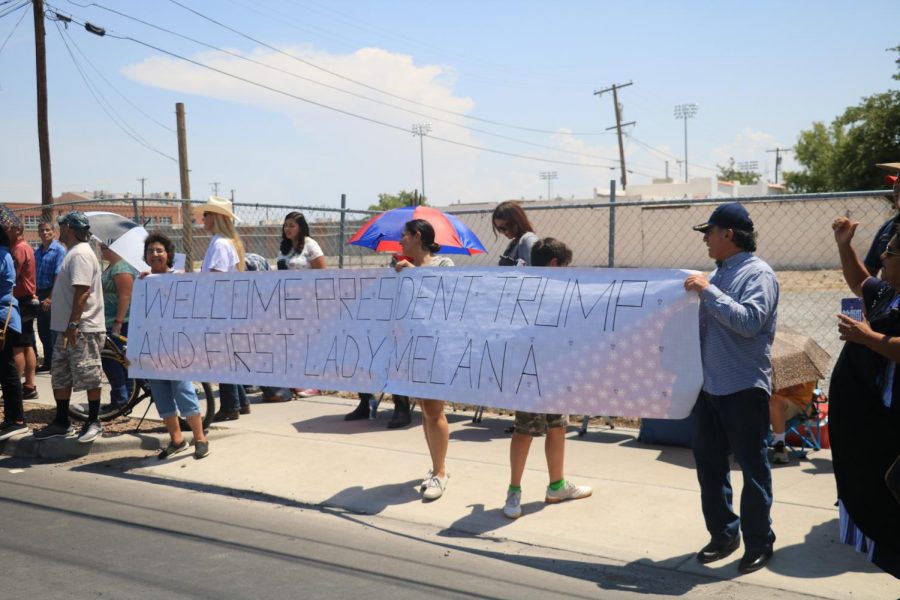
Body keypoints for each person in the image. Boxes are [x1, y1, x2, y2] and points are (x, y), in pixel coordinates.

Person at [683, 202, 779, 574]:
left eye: (710, 232)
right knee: (709, 465)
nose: (705, 238)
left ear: (729, 235)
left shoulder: (759, 275)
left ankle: (759, 542)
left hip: (743, 387)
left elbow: (750, 322)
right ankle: (724, 534)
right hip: (710, 387)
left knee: (753, 469)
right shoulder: (717, 273)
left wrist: (708, 292)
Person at [829, 215, 900, 579]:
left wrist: (866, 337)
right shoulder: (889, 292)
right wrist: (845, 245)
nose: (882, 258)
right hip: (880, 419)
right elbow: (861, 282)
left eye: (888, 252)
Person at [503, 238, 592, 519]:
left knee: (557, 425)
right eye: (566, 266)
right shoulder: (531, 288)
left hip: (556, 368)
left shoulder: (550, 287)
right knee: (525, 430)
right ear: (554, 264)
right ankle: (514, 491)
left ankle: (557, 485)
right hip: (533, 372)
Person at [394, 219, 454, 500]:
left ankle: (440, 472)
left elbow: (444, 299)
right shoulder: (402, 269)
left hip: (435, 346)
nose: (401, 241)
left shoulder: (444, 265)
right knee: (425, 410)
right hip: (413, 346)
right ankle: (436, 467)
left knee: (434, 409)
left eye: (404, 236)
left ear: (418, 236)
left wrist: (414, 274)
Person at [32, 212, 106, 443]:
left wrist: (74, 323)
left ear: (71, 229)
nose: (59, 229)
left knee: (89, 375)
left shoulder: (82, 254)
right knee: (61, 377)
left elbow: (82, 291)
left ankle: (93, 421)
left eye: (62, 226)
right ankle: (62, 422)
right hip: (66, 330)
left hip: (82, 328)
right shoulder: (72, 253)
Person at [142, 232, 210, 460]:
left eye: (159, 250)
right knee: (161, 395)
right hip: (153, 347)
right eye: (150, 251)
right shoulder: (143, 281)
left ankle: (200, 438)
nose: (154, 255)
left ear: (168, 254)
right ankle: (177, 440)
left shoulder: (179, 277)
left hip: (177, 346)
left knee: (183, 390)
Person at [197, 196, 250, 422]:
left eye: (207, 214)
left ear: (216, 218)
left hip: (219, 308)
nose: (203, 218)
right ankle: (240, 401)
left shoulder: (219, 244)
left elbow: (216, 279)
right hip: (229, 307)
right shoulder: (228, 242)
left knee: (222, 357)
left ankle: (231, 406)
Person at [276, 211, 326, 399]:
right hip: (288, 302)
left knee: (309, 342)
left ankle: (315, 383)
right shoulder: (284, 247)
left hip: (308, 301)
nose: (287, 229)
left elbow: (323, 273)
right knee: (293, 342)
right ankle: (297, 381)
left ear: (301, 227)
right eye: (285, 225)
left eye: (292, 225)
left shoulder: (310, 245)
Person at [0, 208, 27, 441]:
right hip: (7, 317)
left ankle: (16, 419)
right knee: (5, 369)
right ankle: (11, 418)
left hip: (2, 318)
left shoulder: (1, 255)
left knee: (7, 370)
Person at [99, 242, 136, 408]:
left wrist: (118, 322)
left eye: (104, 246)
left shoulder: (122, 268)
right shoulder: (112, 266)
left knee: (113, 360)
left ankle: (121, 398)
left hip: (120, 322)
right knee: (118, 360)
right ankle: (124, 397)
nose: (101, 248)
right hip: (109, 319)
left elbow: (125, 296)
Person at [6, 219, 39, 400]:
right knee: (26, 343)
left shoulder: (19, 248)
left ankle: (15, 387)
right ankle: (29, 385)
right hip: (26, 299)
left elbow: (12, 275)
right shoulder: (25, 247)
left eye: (8, 229)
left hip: (20, 300)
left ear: (17, 230)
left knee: (17, 345)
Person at [34, 220, 66, 372]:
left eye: (48, 230)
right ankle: (47, 362)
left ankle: (55, 363)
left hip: (51, 293)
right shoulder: (37, 251)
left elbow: (58, 276)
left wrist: (51, 298)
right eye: (42, 230)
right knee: (42, 330)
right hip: (39, 293)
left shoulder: (59, 250)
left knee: (52, 331)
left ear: (54, 232)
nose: (45, 233)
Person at [768, 381, 817, 464]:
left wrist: (775, 385)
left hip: (798, 403)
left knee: (775, 400)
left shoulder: (799, 370)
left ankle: (779, 445)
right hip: (774, 402)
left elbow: (797, 390)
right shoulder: (774, 369)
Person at [862, 169, 900, 275]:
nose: (896, 193)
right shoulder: (887, 228)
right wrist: (844, 246)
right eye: (895, 188)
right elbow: (869, 273)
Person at [492, 201, 538, 267]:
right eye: (498, 229)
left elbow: (535, 271)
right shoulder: (513, 243)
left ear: (516, 222)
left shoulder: (528, 240)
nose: (502, 232)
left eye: (503, 228)